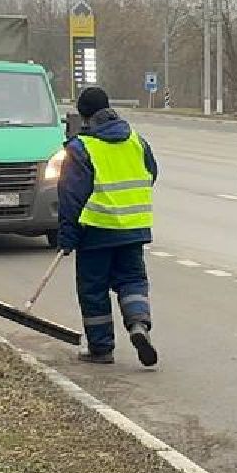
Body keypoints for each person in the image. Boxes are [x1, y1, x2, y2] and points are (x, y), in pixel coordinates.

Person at [58, 86, 159, 366]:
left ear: (83, 116)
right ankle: (138, 323)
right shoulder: (136, 140)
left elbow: (70, 197)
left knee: (94, 290)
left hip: (96, 231)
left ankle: (101, 348)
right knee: (132, 281)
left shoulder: (81, 148)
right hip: (133, 229)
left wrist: (67, 236)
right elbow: (151, 173)